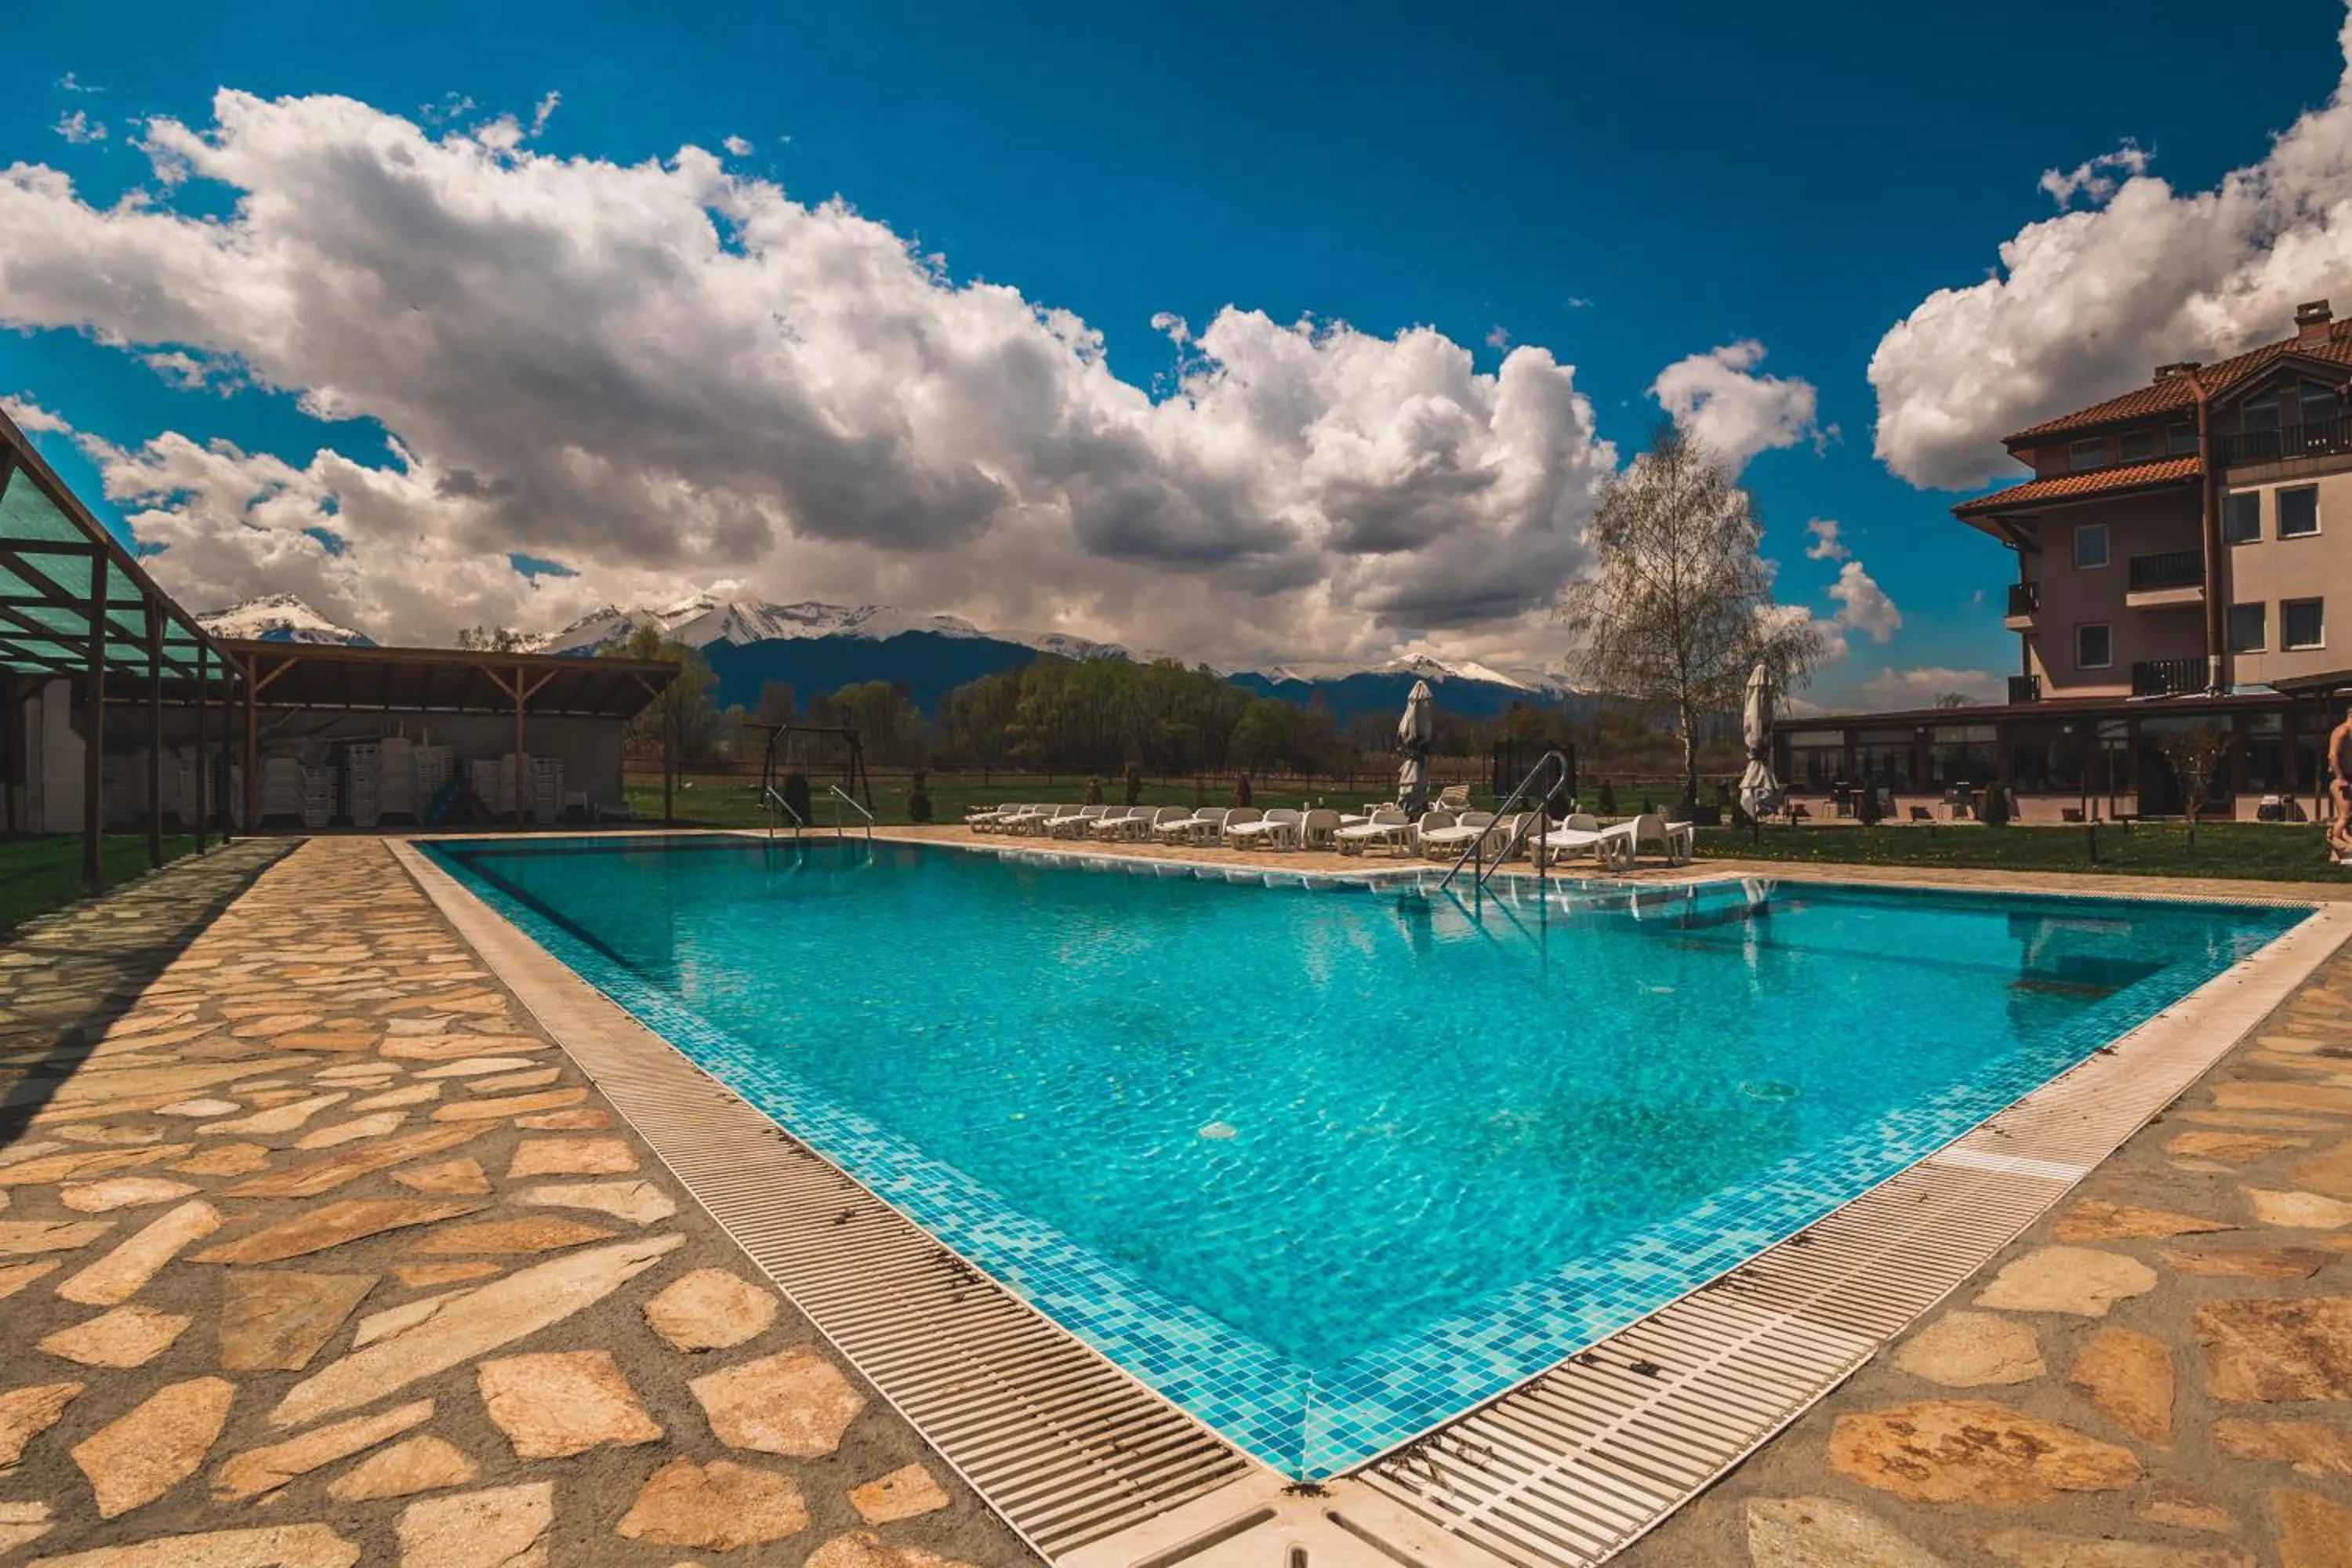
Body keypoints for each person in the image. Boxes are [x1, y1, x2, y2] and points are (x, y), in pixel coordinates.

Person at [2328, 705, 2352, 862]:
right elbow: (2333, 755)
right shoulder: (2342, 731)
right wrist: (2340, 777)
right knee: (2345, 816)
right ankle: (2335, 850)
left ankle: (2343, 849)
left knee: (2347, 818)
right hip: (2342, 780)